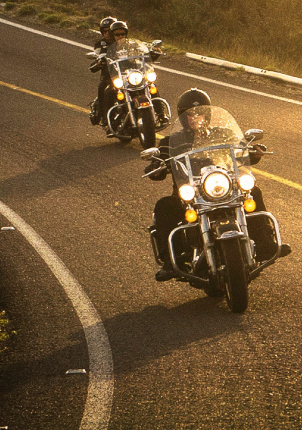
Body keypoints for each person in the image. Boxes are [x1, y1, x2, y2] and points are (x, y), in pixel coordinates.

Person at [147, 88, 291, 279]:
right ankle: (171, 261)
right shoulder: (170, 141)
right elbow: (158, 164)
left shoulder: (223, 134)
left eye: (201, 113)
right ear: (183, 117)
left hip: (225, 187)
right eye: (191, 115)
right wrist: (156, 165)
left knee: (253, 192)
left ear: (208, 114)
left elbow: (240, 150)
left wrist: (253, 151)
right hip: (190, 194)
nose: (197, 118)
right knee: (164, 206)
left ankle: (266, 245)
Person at [89, 19, 130, 126]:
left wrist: (153, 53)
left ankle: (159, 112)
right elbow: (98, 54)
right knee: (104, 88)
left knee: (148, 82)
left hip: (129, 74)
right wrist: (100, 60)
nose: (107, 33)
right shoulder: (101, 44)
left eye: (109, 31)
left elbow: (141, 50)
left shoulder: (128, 43)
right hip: (110, 75)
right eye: (104, 31)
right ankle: (105, 117)